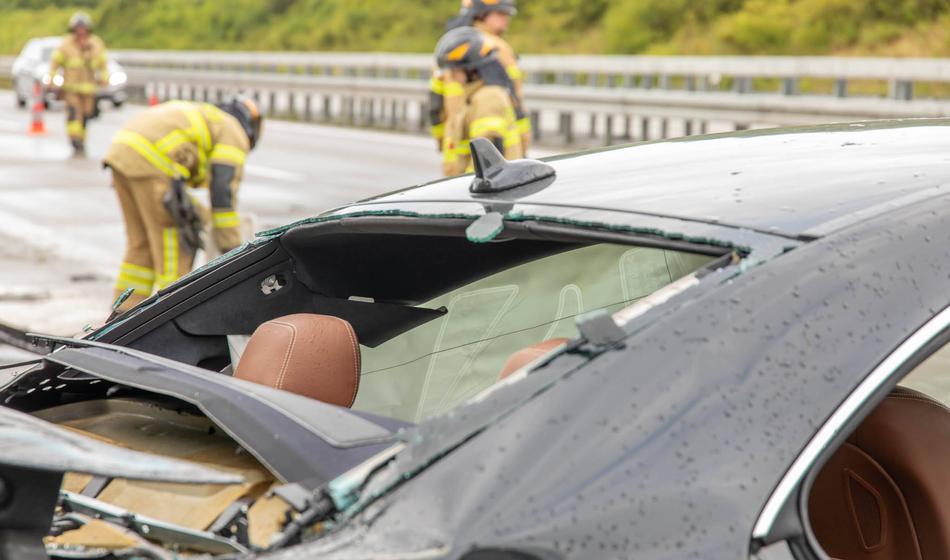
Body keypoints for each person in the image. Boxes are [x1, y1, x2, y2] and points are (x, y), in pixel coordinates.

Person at [105, 97, 262, 312]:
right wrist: (232, 248)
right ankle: (172, 314)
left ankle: (122, 315)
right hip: (152, 160)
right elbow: (222, 191)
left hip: (122, 154)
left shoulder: (210, 117)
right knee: (174, 244)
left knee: (140, 244)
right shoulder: (233, 130)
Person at [430, 0, 529, 158]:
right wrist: (523, 144)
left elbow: (435, 104)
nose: (506, 19)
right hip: (479, 136)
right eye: (500, 13)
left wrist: (445, 141)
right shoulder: (494, 48)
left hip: (461, 138)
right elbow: (515, 100)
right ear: (481, 15)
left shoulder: (451, 46)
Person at [436, 26, 524, 177]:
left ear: (471, 69)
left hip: (485, 195)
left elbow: (487, 164)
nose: (450, 75)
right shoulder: (474, 96)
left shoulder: (488, 99)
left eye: (454, 70)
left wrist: (467, 192)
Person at [48, 12, 109, 156]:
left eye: (83, 28)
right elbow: (55, 63)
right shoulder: (66, 44)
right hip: (71, 88)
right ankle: (74, 140)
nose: (81, 31)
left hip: (89, 88)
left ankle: (81, 139)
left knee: (87, 115)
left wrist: (104, 79)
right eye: (78, 28)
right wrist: (52, 79)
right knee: (74, 114)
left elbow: (103, 64)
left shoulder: (96, 43)